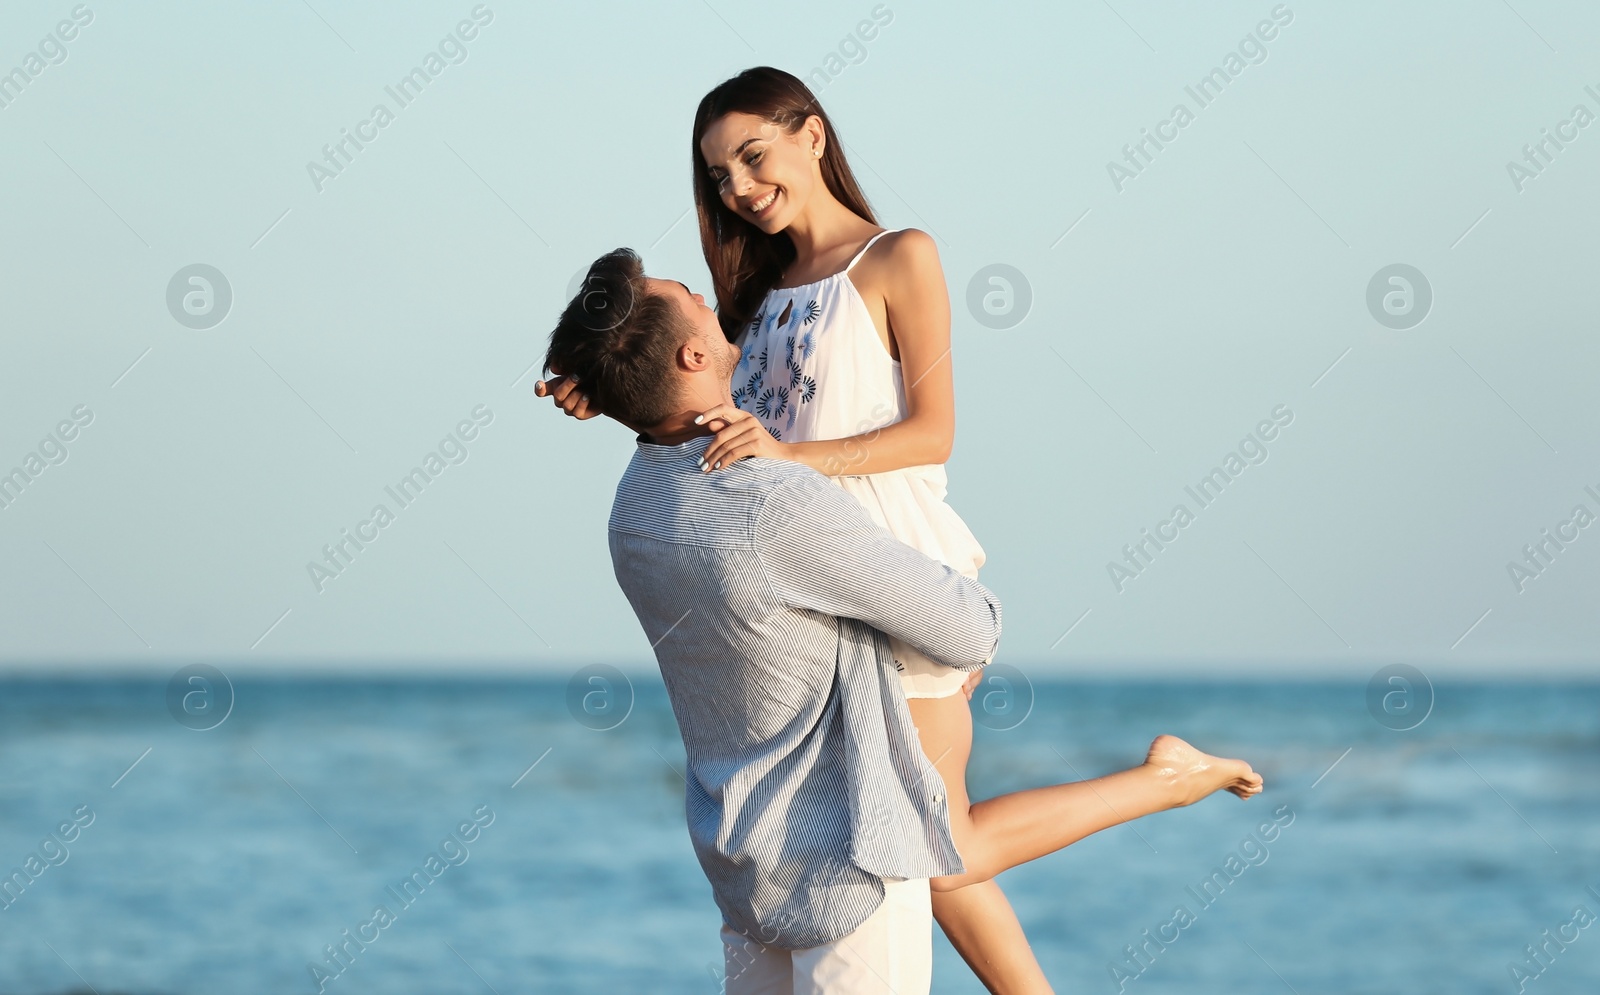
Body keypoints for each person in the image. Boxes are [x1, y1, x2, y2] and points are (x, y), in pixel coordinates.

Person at [538, 68, 1264, 994]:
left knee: (932, 850)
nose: (738, 189)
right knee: (933, 846)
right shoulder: (750, 296)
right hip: (812, 597)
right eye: (719, 175)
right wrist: (589, 377)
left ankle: (1171, 780)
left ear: (812, 135)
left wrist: (795, 463)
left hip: (900, 575)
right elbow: (676, 377)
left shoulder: (896, 257)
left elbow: (934, 431)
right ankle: (1166, 781)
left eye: (753, 157)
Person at [546, 246, 1003, 993]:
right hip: (852, 868)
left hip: (745, 868)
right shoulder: (772, 503)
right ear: (696, 352)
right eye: (691, 295)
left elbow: (660, 412)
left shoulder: (633, 509)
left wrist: (607, 381)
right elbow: (971, 628)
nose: (708, 295)